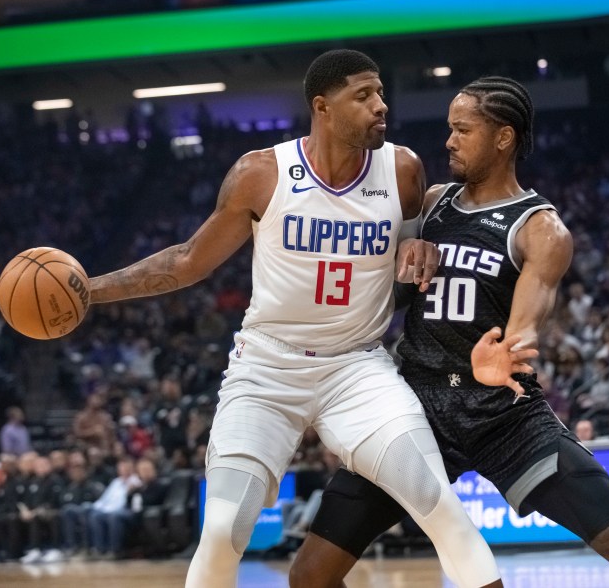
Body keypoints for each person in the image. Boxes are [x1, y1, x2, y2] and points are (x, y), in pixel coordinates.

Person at [86, 49, 502, 587]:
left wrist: (417, 248)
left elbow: (408, 259)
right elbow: (189, 262)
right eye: (364, 95)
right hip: (267, 369)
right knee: (223, 530)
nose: (382, 105)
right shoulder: (261, 173)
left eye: (380, 92)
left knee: (438, 503)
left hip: (358, 369)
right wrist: (88, 293)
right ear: (322, 107)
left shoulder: (402, 170)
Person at [290, 76, 609, 588]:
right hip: (414, 407)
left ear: (502, 137)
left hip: (503, 413)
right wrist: (400, 258)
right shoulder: (432, 202)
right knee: (309, 576)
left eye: (463, 130)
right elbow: (382, 290)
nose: (449, 140)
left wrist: (508, 349)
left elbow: (529, 320)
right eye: (449, 129)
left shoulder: (538, 228)